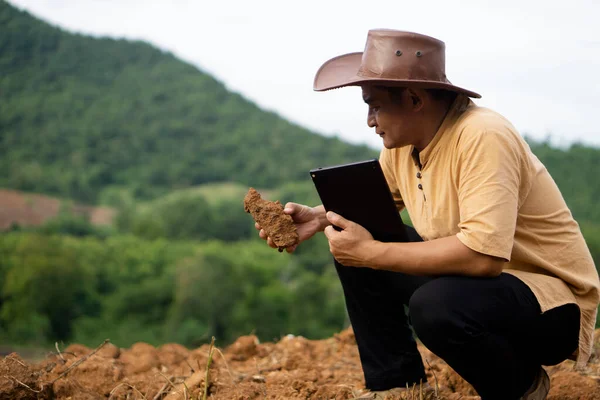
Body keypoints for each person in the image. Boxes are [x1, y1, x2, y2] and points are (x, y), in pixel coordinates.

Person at [255, 29, 600, 400]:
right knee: (350, 235)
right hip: (476, 288)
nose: (370, 121)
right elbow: (369, 210)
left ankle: (520, 387)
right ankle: (397, 386)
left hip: (548, 304)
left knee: (433, 305)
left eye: (375, 105)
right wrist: (319, 218)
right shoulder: (404, 146)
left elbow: (484, 257)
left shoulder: (483, 135)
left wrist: (371, 252)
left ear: (415, 98)